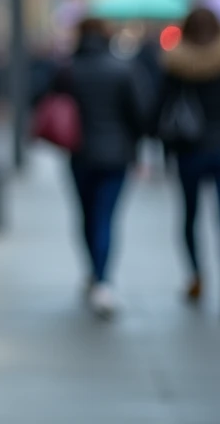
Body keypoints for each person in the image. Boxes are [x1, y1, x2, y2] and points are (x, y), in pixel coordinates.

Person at [53, 17, 147, 318]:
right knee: (106, 216)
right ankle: (103, 280)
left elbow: (47, 103)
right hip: (116, 155)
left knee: (87, 215)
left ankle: (94, 273)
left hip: (80, 154)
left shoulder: (68, 70)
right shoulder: (123, 69)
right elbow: (140, 114)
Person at [157, 6, 220, 314]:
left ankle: (195, 276)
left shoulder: (176, 63)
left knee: (189, 216)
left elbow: (161, 107)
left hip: (189, 148)